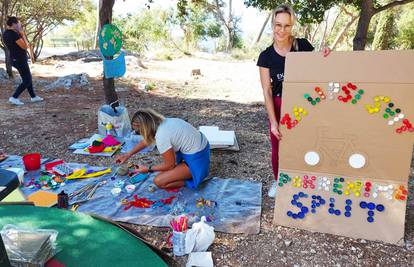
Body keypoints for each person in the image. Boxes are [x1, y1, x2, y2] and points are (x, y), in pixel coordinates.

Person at [257, 4, 330, 198]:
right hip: (280, 104)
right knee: (278, 145)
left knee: (307, 142)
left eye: (287, 26)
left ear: (292, 26)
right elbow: (267, 91)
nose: (282, 30)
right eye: (278, 25)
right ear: (272, 25)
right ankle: (279, 180)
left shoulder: (303, 46)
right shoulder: (266, 57)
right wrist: (273, 121)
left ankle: (306, 180)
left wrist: (325, 55)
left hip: (304, 104)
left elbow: (319, 69)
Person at [115, 109, 210, 189]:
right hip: (202, 148)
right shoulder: (164, 122)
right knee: (163, 170)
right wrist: (128, 154)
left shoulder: (161, 136)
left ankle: (192, 181)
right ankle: (185, 171)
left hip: (198, 160)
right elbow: (146, 141)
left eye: (138, 131)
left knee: (159, 181)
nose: (138, 133)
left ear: (144, 129)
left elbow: (170, 165)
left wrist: (148, 169)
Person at [2, 16, 43, 106]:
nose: (20, 25)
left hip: (14, 59)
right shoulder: (14, 34)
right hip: (19, 59)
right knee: (27, 79)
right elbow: (25, 46)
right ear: (13, 24)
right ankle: (14, 97)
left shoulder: (5, 33)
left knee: (26, 78)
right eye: (18, 23)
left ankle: (33, 97)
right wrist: (23, 34)